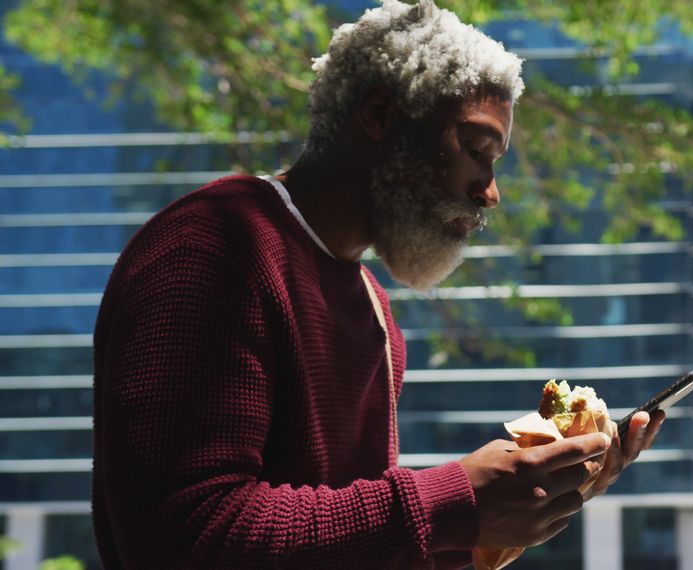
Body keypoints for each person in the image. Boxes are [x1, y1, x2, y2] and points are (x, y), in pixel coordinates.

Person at [91, 1, 663, 567]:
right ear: (382, 116)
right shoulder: (214, 244)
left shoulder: (375, 311)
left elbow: (357, 544)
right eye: (476, 149)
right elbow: (181, 537)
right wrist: (455, 501)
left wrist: (525, 502)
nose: (490, 192)